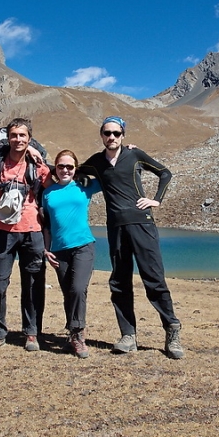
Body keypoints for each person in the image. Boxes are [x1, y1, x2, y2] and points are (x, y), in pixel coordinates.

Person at [76, 116, 185, 359]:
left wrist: (156, 200)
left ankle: (172, 330)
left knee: (154, 278)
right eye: (107, 133)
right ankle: (128, 335)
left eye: (116, 133)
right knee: (119, 282)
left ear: (123, 135)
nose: (111, 137)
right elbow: (73, 170)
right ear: (101, 135)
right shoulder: (96, 162)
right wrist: (81, 178)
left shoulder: (135, 155)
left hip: (142, 224)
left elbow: (165, 174)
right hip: (115, 228)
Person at [0, 118, 51, 353]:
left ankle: (31, 333)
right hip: (1, 232)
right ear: (7, 137)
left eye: (23, 136)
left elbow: (57, 187)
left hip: (33, 233)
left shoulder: (39, 167)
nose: (18, 139)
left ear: (29, 139)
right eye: (14, 135)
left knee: (33, 285)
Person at [40, 149, 102, 358]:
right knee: (69, 293)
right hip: (59, 250)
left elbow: (110, 175)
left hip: (83, 245)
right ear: (55, 169)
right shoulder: (48, 193)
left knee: (77, 288)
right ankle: (73, 336)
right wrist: (46, 250)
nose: (65, 170)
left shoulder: (84, 186)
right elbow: (47, 225)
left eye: (69, 166)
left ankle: (78, 334)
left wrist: (129, 153)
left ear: (75, 169)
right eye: (61, 166)